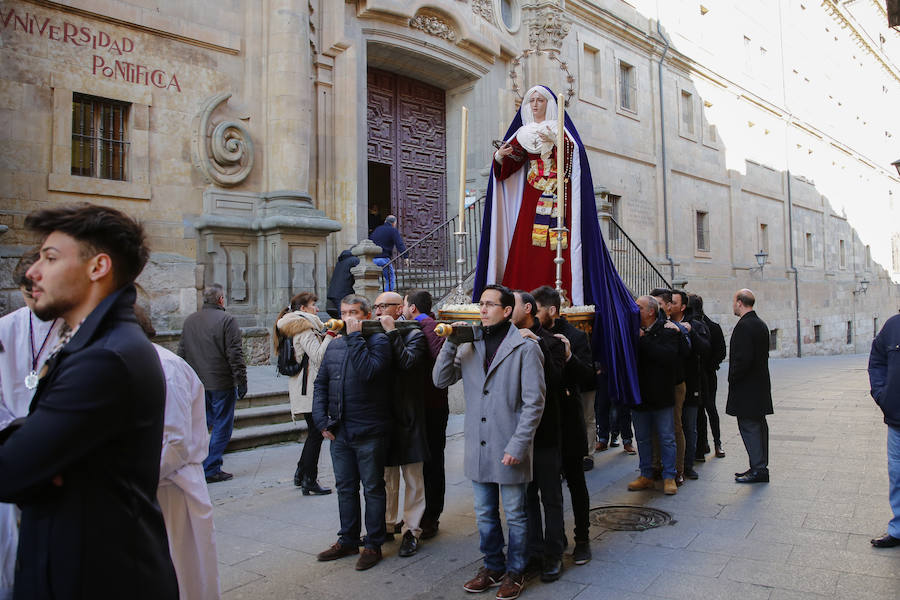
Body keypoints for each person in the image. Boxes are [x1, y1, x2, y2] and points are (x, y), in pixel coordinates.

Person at [0, 203, 178, 598]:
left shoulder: (104, 357)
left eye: (50, 258)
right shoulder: (92, 343)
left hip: (94, 576)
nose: (32, 273)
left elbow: (10, 471)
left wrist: (37, 458)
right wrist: (39, 449)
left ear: (98, 267)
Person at [473, 85, 641, 414]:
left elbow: (574, 160)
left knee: (554, 253)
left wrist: (556, 137)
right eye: (531, 100)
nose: (535, 105)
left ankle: (558, 294)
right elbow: (506, 169)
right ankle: (519, 299)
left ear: (551, 105)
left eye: (541, 101)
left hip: (558, 206)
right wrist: (501, 157)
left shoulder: (562, 134)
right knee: (524, 252)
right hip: (531, 203)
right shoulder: (523, 135)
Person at [433, 284, 544, 600]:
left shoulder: (525, 348)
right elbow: (440, 380)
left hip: (508, 445)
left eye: (489, 304)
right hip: (478, 446)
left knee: (516, 513)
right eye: (480, 303)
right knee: (484, 513)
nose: (481, 309)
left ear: (507, 311)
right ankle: (493, 566)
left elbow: (534, 403)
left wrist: (518, 445)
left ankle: (516, 571)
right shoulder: (469, 344)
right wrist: (450, 343)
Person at [135, 306, 221, 600]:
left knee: (183, 576)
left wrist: (129, 480)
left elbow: (173, 443)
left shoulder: (164, 367)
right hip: (153, 485)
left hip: (172, 486)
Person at [313, 294, 393, 571]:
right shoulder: (334, 346)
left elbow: (369, 371)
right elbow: (321, 383)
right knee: (345, 488)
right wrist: (322, 421)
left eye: (353, 313)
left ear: (366, 316)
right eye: (344, 313)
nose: (347, 318)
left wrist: (356, 337)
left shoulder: (380, 341)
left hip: (369, 429)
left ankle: (372, 543)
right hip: (340, 431)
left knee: (372, 488)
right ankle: (347, 539)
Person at [0, 249, 63, 598]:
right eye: (28, 291)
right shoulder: (5, 329)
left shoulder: (72, 330)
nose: (35, 296)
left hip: (55, 452)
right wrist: (17, 435)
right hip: (12, 447)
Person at [531, 285, 593, 565]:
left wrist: (569, 357)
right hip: (543, 424)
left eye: (538, 309)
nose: (533, 313)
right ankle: (554, 539)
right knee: (548, 488)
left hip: (567, 420)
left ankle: (583, 539)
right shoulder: (529, 335)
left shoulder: (577, 336)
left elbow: (589, 378)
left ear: (551, 311)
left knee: (576, 482)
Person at [511, 290, 566, 584]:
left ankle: (554, 553)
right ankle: (533, 552)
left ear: (529, 309)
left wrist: (540, 348)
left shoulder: (552, 342)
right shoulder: (507, 339)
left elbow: (556, 380)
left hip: (544, 432)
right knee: (526, 497)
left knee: (551, 496)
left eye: (513, 305)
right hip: (516, 433)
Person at [375, 291, 429, 556]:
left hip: (408, 414)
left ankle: (412, 530)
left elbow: (408, 363)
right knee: (386, 476)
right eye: (375, 306)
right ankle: (386, 524)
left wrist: (392, 334)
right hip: (384, 415)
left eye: (382, 306)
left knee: (412, 477)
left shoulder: (415, 334)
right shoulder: (374, 333)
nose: (377, 311)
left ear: (399, 309)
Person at [179, 283, 248, 483]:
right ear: (220, 300)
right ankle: (210, 467)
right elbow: (235, 354)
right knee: (222, 425)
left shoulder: (190, 320)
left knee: (202, 423)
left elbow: (182, 351)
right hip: (220, 382)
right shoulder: (227, 320)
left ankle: (197, 462)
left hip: (196, 381)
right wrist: (241, 380)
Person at [627, 295, 687, 496]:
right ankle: (646, 474)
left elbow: (667, 357)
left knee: (666, 437)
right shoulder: (632, 331)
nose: (635, 310)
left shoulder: (667, 330)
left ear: (651, 311)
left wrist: (643, 342)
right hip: (639, 394)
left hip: (661, 393)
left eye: (639, 307)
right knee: (642, 438)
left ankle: (669, 476)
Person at [276, 292, 335, 495]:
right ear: (303, 309)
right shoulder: (304, 329)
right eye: (313, 305)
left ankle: (301, 473)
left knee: (313, 432)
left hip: (304, 386)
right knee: (317, 433)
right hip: (309, 388)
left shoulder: (295, 326)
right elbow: (319, 357)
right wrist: (330, 336)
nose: (316, 309)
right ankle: (309, 479)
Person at [403, 290, 448, 540]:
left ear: (412, 308)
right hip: (423, 405)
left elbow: (439, 359)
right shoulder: (425, 324)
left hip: (431, 405)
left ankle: (431, 515)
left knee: (432, 462)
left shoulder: (430, 326)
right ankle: (421, 513)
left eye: (403, 305)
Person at [726, 289, 773, 484]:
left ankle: (758, 469)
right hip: (759, 386)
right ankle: (759, 465)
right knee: (759, 426)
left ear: (739, 303)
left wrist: (733, 377)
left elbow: (743, 359)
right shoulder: (760, 323)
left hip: (748, 388)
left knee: (750, 427)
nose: (733, 305)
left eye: (733, 301)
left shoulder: (745, 326)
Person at [670, 291, 710, 481]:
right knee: (673, 427)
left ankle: (688, 464)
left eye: (674, 302)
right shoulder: (666, 324)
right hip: (673, 381)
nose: (670, 305)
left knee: (689, 424)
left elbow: (705, 349)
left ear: (682, 306)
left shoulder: (696, 325)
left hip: (692, 380)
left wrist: (690, 332)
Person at [867, 311, 900, 548]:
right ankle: (898, 528)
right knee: (897, 475)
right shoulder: (893, 326)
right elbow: (876, 360)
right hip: (897, 420)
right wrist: (882, 395)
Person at [693, 294, 727, 461]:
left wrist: (710, 365)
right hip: (701, 374)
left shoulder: (712, 327)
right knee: (701, 410)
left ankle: (717, 443)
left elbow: (720, 352)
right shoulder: (710, 325)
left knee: (709, 408)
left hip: (707, 374)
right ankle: (705, 443)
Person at [369, 215, 407, 291]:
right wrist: (405, 256)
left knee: (372, 280)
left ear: (385, 221)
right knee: (390, 279)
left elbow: (370, 241)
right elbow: (399, 244)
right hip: (384, 259)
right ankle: (387, 298)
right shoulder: (393, 230)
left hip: (373, 259)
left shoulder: (377, 229)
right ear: (394, 223)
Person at [326, 248, 359, 318]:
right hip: (344, 292)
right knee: (344, 315)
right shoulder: (354, 260)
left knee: (341, 315)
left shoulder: (341, 261)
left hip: (333, 292)